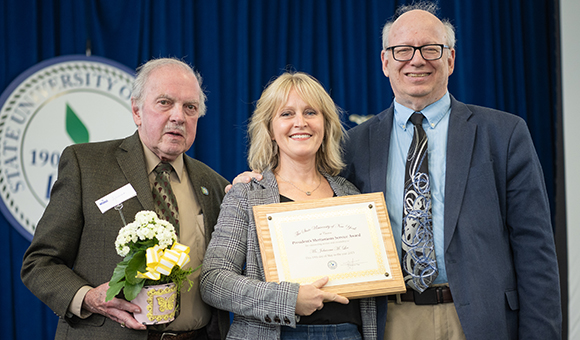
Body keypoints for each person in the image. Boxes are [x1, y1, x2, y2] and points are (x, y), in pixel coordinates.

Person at [229, 3, 562, 340]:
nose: (417, 60)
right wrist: (259, 179)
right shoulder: (354, 144)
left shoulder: (503, 134)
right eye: (402, 50)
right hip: (390, 321)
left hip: (481, 320)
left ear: (451, 59)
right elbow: (307, 190)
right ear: (385, 62)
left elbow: (535, 248)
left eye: (431, 49)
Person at [21, 58, 230, 340]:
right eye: (165, 103)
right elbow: (40, 262)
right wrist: (88, 297)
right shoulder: (87, 165)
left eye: (190, 107)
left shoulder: (215, 185)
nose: (178, 116)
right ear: (137, 110)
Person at [200, 72, 377, 339]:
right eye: (286, 114)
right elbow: (213, 281)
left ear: (326, 124)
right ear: (270, 129)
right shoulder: (246, 194)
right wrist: (288, 299)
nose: (300, 123)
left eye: (310, 112)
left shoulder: (350, 194)